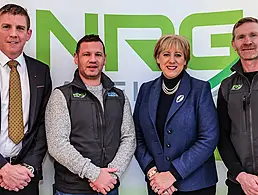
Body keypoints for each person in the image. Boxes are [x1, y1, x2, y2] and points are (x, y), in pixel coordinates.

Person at [45, 34, 136, 195]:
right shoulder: (62, 96)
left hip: (109, 188)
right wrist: (94, 174)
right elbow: (57, 144)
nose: (92, 60)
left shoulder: (119, 97)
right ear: (76, 58)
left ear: (105, 59)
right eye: (86, 54)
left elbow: (129, 138)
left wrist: (111, 176)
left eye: (98, 55)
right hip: (71, 190)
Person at [133, 34, 219, 195]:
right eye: (166, 54)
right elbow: (137, 137)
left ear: (185, 61)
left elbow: (209, 137)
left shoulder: (200, 90)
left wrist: (173, 174)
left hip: (196, 186)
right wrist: (153, 174)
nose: (172, 60)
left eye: (178, 55)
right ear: (158, 58)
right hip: (157, 185)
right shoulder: (146, 90)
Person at [0, 3, 52, 195]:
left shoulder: (41, 71)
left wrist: (28, 167)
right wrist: (3, 168)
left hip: (25, 178)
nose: (13, 34)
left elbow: (43, 125)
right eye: (6, 27)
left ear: (28, 34)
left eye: (20, 28)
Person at [217, 17, 258, 195]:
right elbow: (222, 136)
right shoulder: (226, 86)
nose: (247, 41)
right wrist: (240, 175)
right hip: (239, 184)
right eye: (241, 37)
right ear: (233, 44)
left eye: (253, 35)